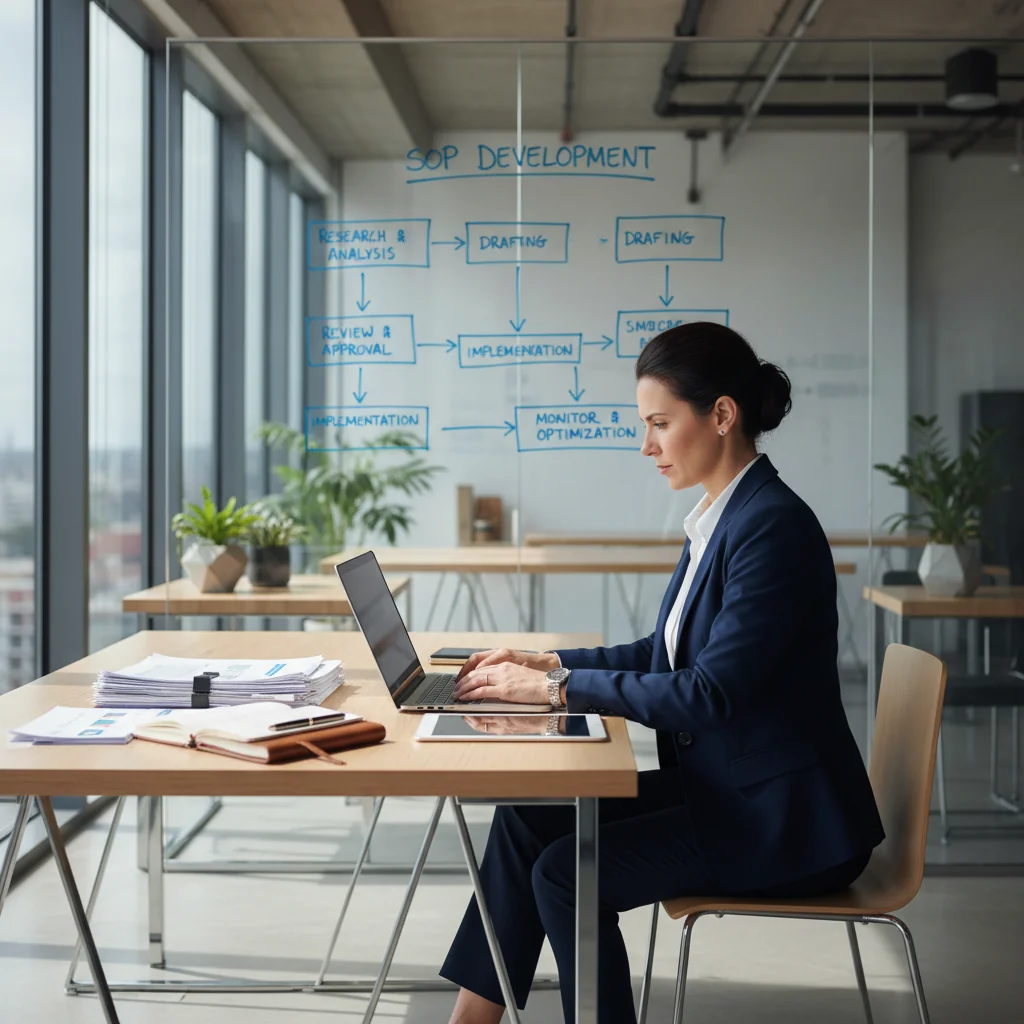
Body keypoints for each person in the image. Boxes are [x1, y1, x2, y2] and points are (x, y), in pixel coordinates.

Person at [440, 322, 884, 1024]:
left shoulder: (773, 529)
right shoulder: (722, 517)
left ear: (722, 415)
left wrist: (552, 694)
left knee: (565, 874)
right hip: (727, 792)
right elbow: (663, 655)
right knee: (528, 818)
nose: (646, 446)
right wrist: (548, 664)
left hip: (784, 823)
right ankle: (471, 1019)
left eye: (659, 424)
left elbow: (709, 695)